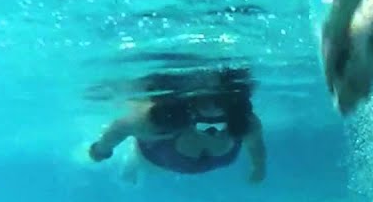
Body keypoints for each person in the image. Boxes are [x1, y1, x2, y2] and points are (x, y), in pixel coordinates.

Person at [88, 69, 267, 184]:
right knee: (139, 166)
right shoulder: (155, 122)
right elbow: (120, 128)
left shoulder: (244, 122)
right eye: (204, 100)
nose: (212, 106)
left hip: (178, 158)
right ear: (189, 99)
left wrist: (258, 167)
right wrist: (100, 150)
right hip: (156, 162)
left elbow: (256, 146)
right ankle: (132, 159)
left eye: (219, 99)